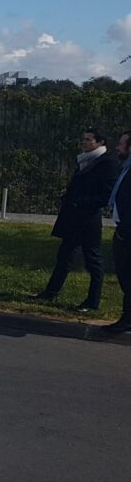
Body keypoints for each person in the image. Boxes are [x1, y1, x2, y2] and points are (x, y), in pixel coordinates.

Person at [35, 128, 120, 312]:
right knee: (64, 255)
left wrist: (79, 203)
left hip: (88, 218)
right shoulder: (85, 159)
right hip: (74, 217)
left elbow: (105, 194)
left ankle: (92, 301)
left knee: (93, 260)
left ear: (100, 142)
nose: (84, 143)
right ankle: (51, 291)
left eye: (89, 140)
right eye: (84, 139)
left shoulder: (107, 162)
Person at [107, 132, 131, 333]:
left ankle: (128, 318)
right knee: (124, 276)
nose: (117, 147)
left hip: (127, 231)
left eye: (122, 144)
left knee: (128, 276)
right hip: (123, 228)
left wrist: (125, 230)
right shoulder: (126, 168)